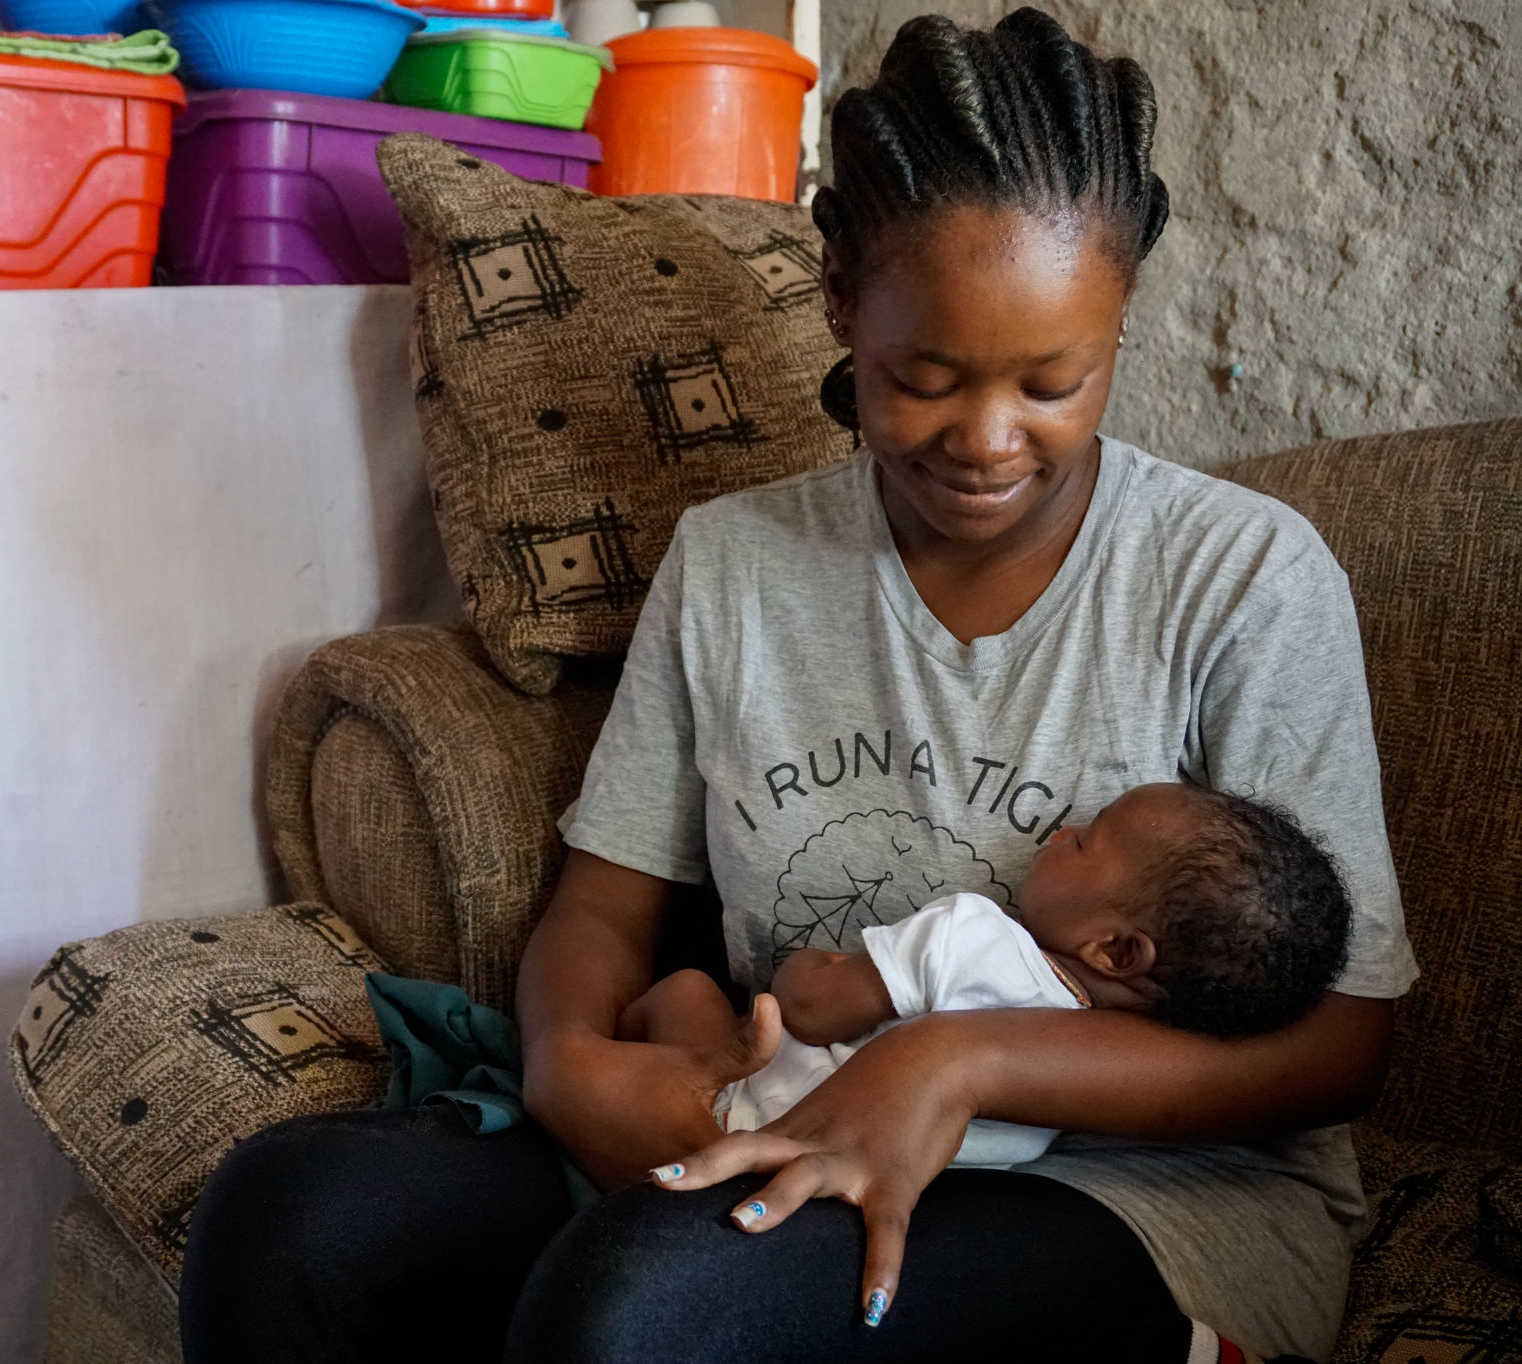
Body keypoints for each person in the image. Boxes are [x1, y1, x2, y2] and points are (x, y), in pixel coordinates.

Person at [178, 9, 1416, 1362]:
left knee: (651, 1306)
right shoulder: (735, 565)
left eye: (1058, 382)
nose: (991, 441)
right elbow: (602, 906)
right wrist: (572, 1063)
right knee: (293, 1219)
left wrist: (957, 1058)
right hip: (768, 1107)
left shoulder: (1239, 578)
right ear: (841, 301)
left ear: (1118, 326)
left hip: (1131, 1189)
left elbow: (1340, 1045)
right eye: (925, 379)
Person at [623, 783, 1354, 1173]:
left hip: (748, 1115)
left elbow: (809, 1007)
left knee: (685, 991)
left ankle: (619, 1067)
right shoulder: (1101, 1063)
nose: (1060, 832)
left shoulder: (974, 939)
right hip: (860, 1187)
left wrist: (808, 962)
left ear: (1114, 951)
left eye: (1086, 839)